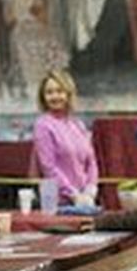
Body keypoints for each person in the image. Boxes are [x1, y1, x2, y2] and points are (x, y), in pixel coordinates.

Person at [32, 70, 100, 208]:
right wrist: (73, 195)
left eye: (59, 91)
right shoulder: (42, 125)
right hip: (57, 203)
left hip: (84, 200)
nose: (55, 96)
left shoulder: (78, 125)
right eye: (49, 92)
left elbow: (91, 162)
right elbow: (48, 167)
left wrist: (90, 189)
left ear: (68, 94)